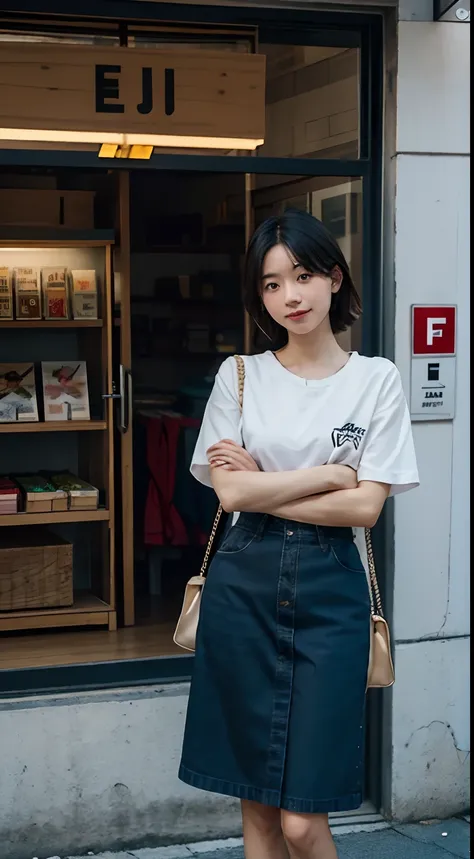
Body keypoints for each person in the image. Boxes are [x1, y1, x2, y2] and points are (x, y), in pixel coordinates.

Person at [178, 208, 419, 859]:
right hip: (242, 589)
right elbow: (229, 494)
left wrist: (270, 486)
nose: (291, 295)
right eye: (271, 283)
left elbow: (366, 508)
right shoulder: (240, 376)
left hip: (330, 596)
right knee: (256, 810)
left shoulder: (377, 380)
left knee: (301, 822)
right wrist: (328, 474)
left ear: (335, 278)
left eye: (304, 275)